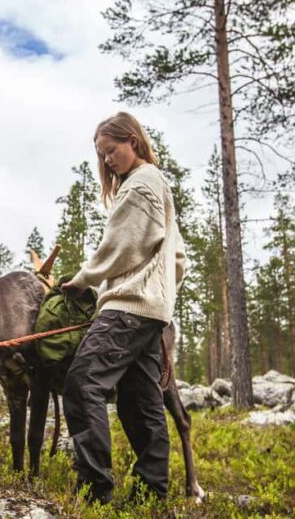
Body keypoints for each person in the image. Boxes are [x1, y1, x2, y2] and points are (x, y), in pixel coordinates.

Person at [61, 112, 186, 505]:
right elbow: (179, 259)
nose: (107, 161)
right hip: (150, 312)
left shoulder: (140, 186)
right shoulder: (157, 184)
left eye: (111, 151)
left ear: (132, 140)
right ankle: (152, 494)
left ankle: (95, 491)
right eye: (102, 156)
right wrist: (162, 296)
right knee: (141, 401)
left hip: (127, 308)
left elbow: (121, 246)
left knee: (82, 385)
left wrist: (83, 279)